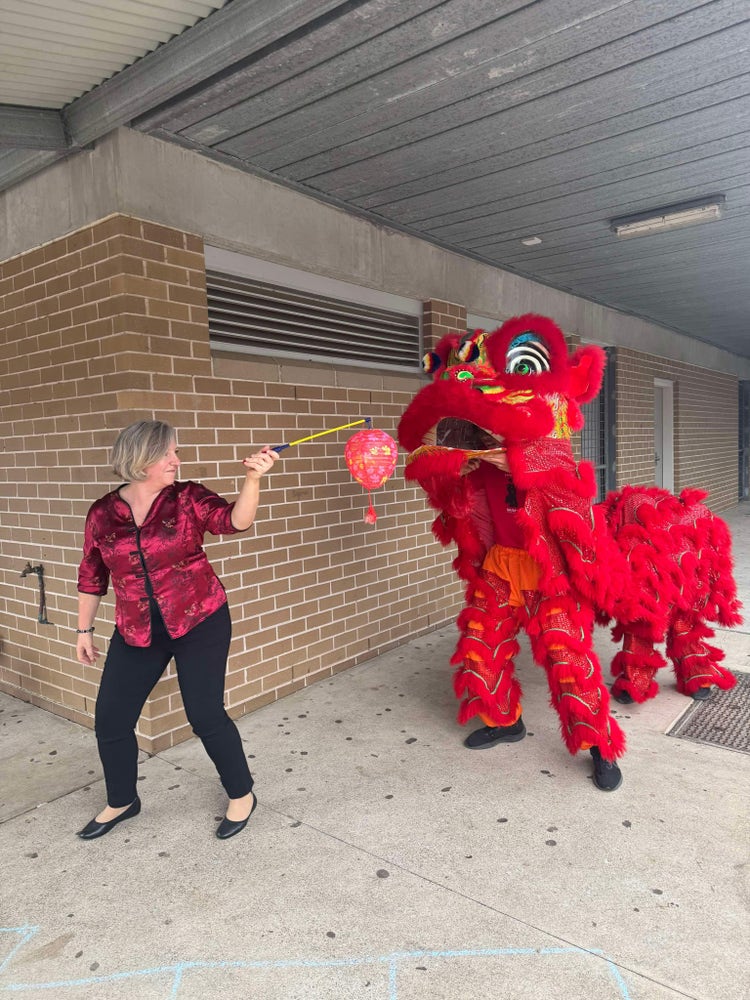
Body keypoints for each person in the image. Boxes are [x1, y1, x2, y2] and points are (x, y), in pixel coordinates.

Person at [75, 420, 278, 840]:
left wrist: (252, 479)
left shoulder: (187, 497)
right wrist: (83, 630)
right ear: (141, 458)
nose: (176, 460)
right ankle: (122, 800)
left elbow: (233, 521)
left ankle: (242, 794)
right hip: (136, 629)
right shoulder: (102, 513)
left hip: (199, 618)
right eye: (168, 453)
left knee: (204, 715)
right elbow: (92, 574)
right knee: (111, 720)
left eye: (176, 452)